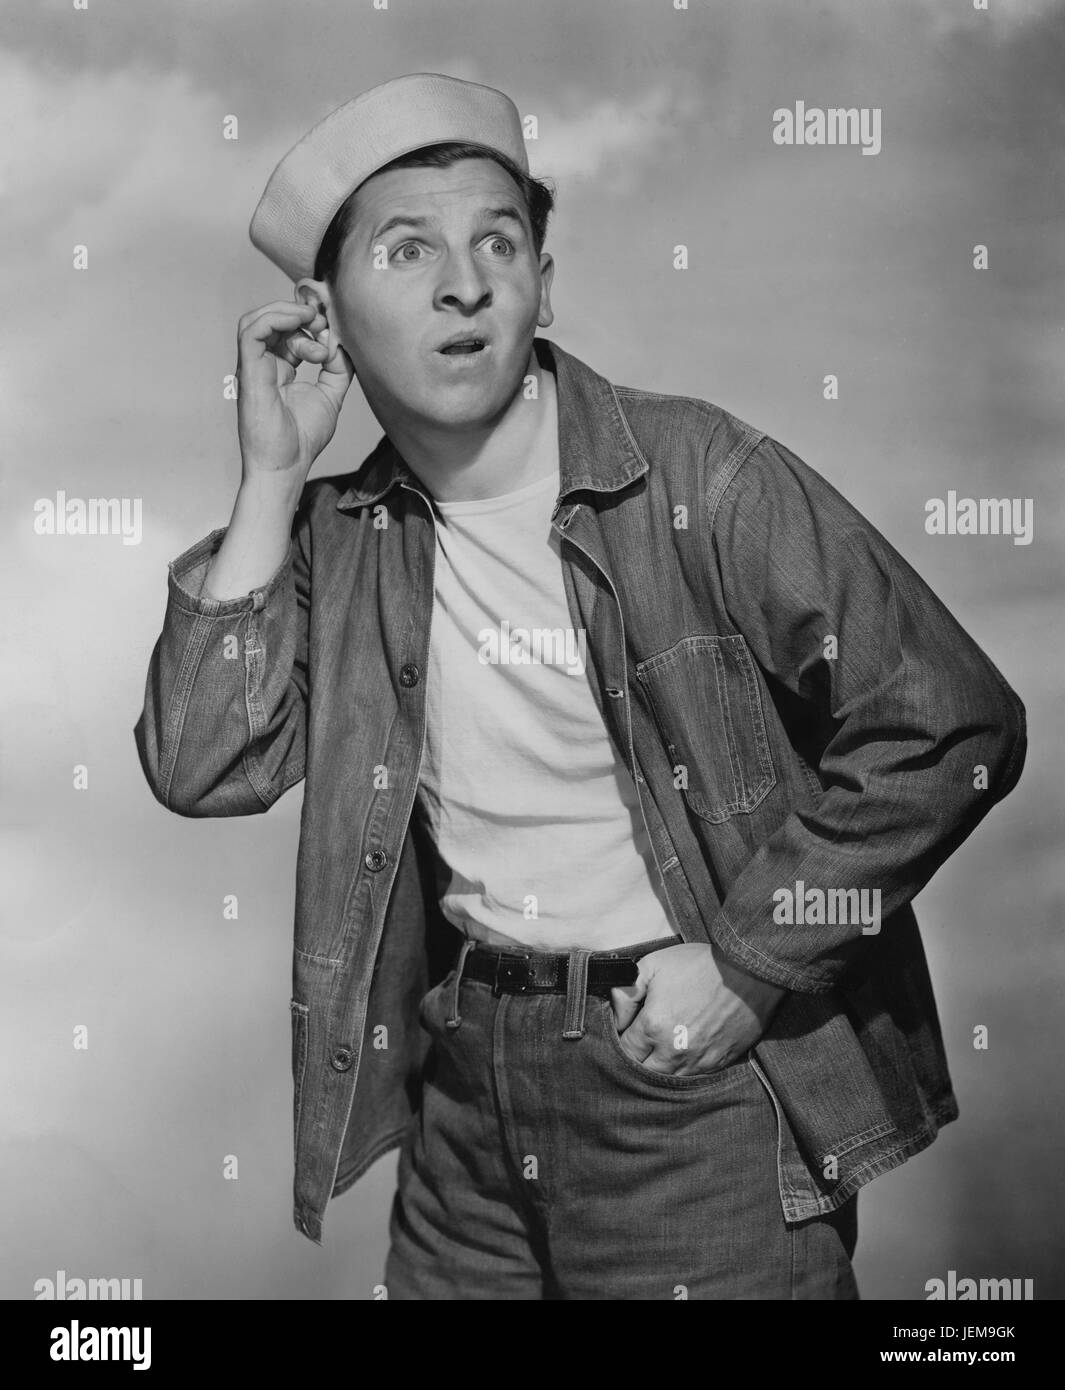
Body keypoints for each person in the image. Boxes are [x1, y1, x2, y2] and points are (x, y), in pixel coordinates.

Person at [133, 72, 1027, 1300]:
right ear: (324, 315)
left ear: (542, 284)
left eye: (499, 242)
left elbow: (954, 723)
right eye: (408, 251)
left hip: (690, 1088)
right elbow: (200, 764)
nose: (465, 282)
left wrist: (750, 964)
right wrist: (271, 480)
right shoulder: (345, 537)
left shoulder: (700, 476)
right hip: (467, 1096)